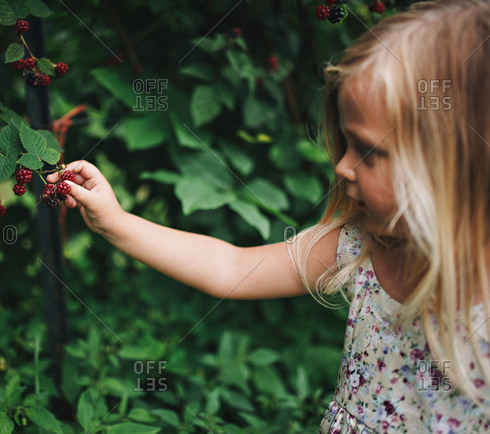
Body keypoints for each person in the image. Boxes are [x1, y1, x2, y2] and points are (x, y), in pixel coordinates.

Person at [47, 0, 490, 431]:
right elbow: (232, 267)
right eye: (346, 143)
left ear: (454, 168)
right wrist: (117, 222)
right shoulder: (359, 246)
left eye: (369, 153)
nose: (341, 165)